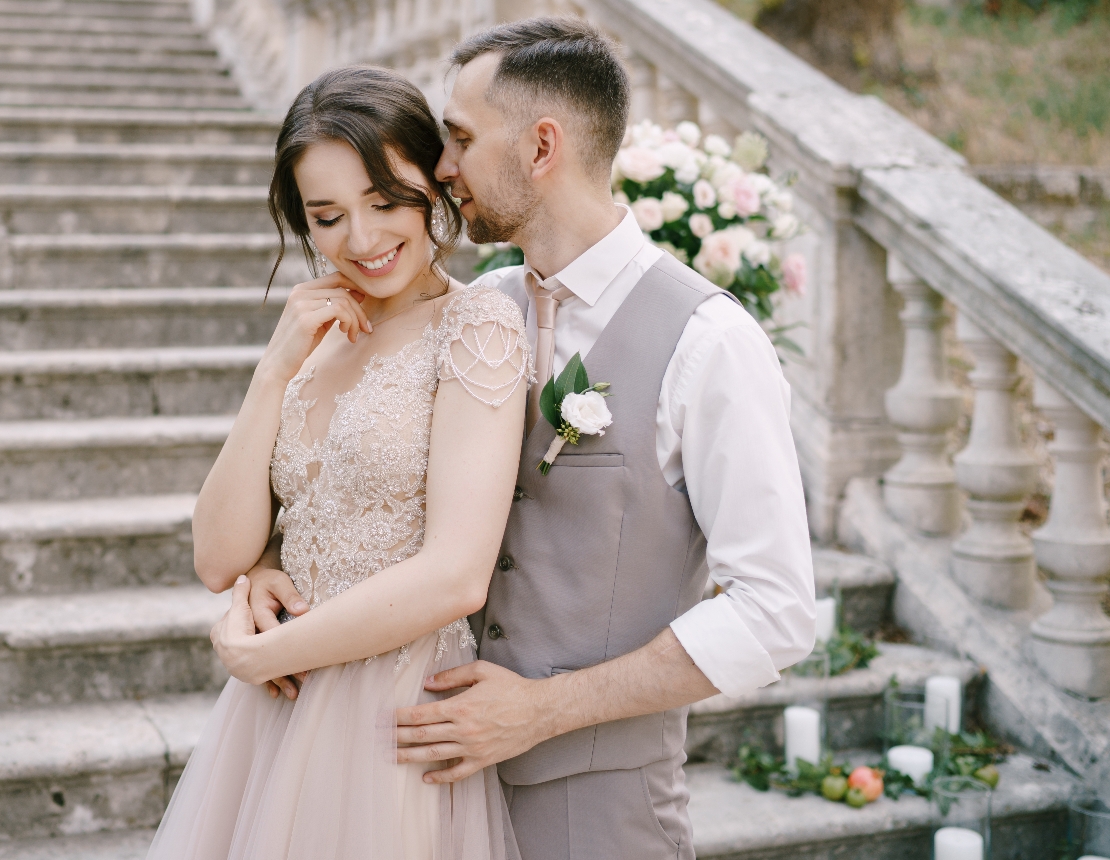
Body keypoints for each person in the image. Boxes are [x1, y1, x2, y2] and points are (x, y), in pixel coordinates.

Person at [226, 17, 816, 860]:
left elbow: (777, 612)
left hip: (597, 816)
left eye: (460, 138)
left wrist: (546, 709)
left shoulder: (710, 343)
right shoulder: (477, 309)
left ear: (542, 147)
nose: (440, 168)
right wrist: (266, 567)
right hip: (416, 793)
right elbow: (353, 473)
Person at [147, 65, 530, 860]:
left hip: (390, 709)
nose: (361, 240)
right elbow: (215, 557)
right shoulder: (316, 333)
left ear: (434, 182)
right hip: (275, 715)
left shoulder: (477, 326)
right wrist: (272, 373)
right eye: (327, 216)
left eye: (386, 202)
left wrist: (263, 652)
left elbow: (458, 574)